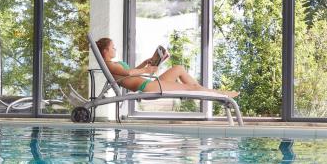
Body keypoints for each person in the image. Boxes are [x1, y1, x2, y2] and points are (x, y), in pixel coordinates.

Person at [95, 38, 239, 98]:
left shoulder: (113, 65)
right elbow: (130, 72)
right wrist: (147, 70)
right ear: (105, 51)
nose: (115, 48)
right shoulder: (109, 65)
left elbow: (130, 73)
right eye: (112, 47)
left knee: (178, 68)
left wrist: (146, 63)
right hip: (147, 86)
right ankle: (220, 93)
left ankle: (200, 89)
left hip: (148, 83)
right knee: (191, 88)